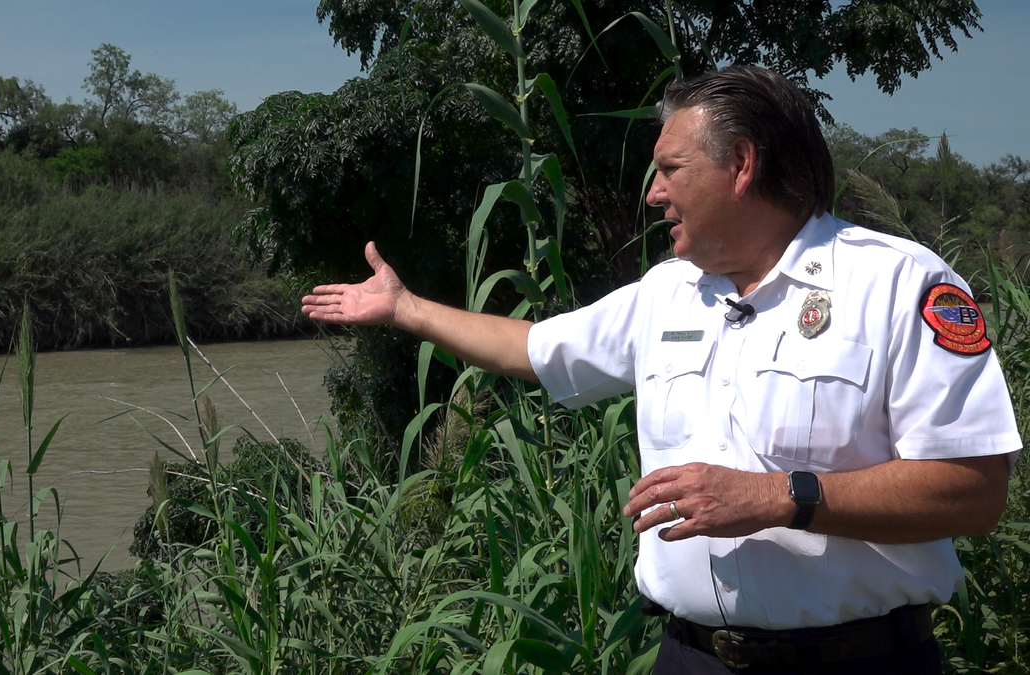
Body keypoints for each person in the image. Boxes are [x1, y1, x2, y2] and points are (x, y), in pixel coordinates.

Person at [301, 66, 1021, 674]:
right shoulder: (668, 291)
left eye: (671, 169)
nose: (653, 193)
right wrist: (405, 309)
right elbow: (533, 348)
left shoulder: (898, 285)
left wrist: (779, 496)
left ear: (741, 165)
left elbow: (974, 491)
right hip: (688, 656)